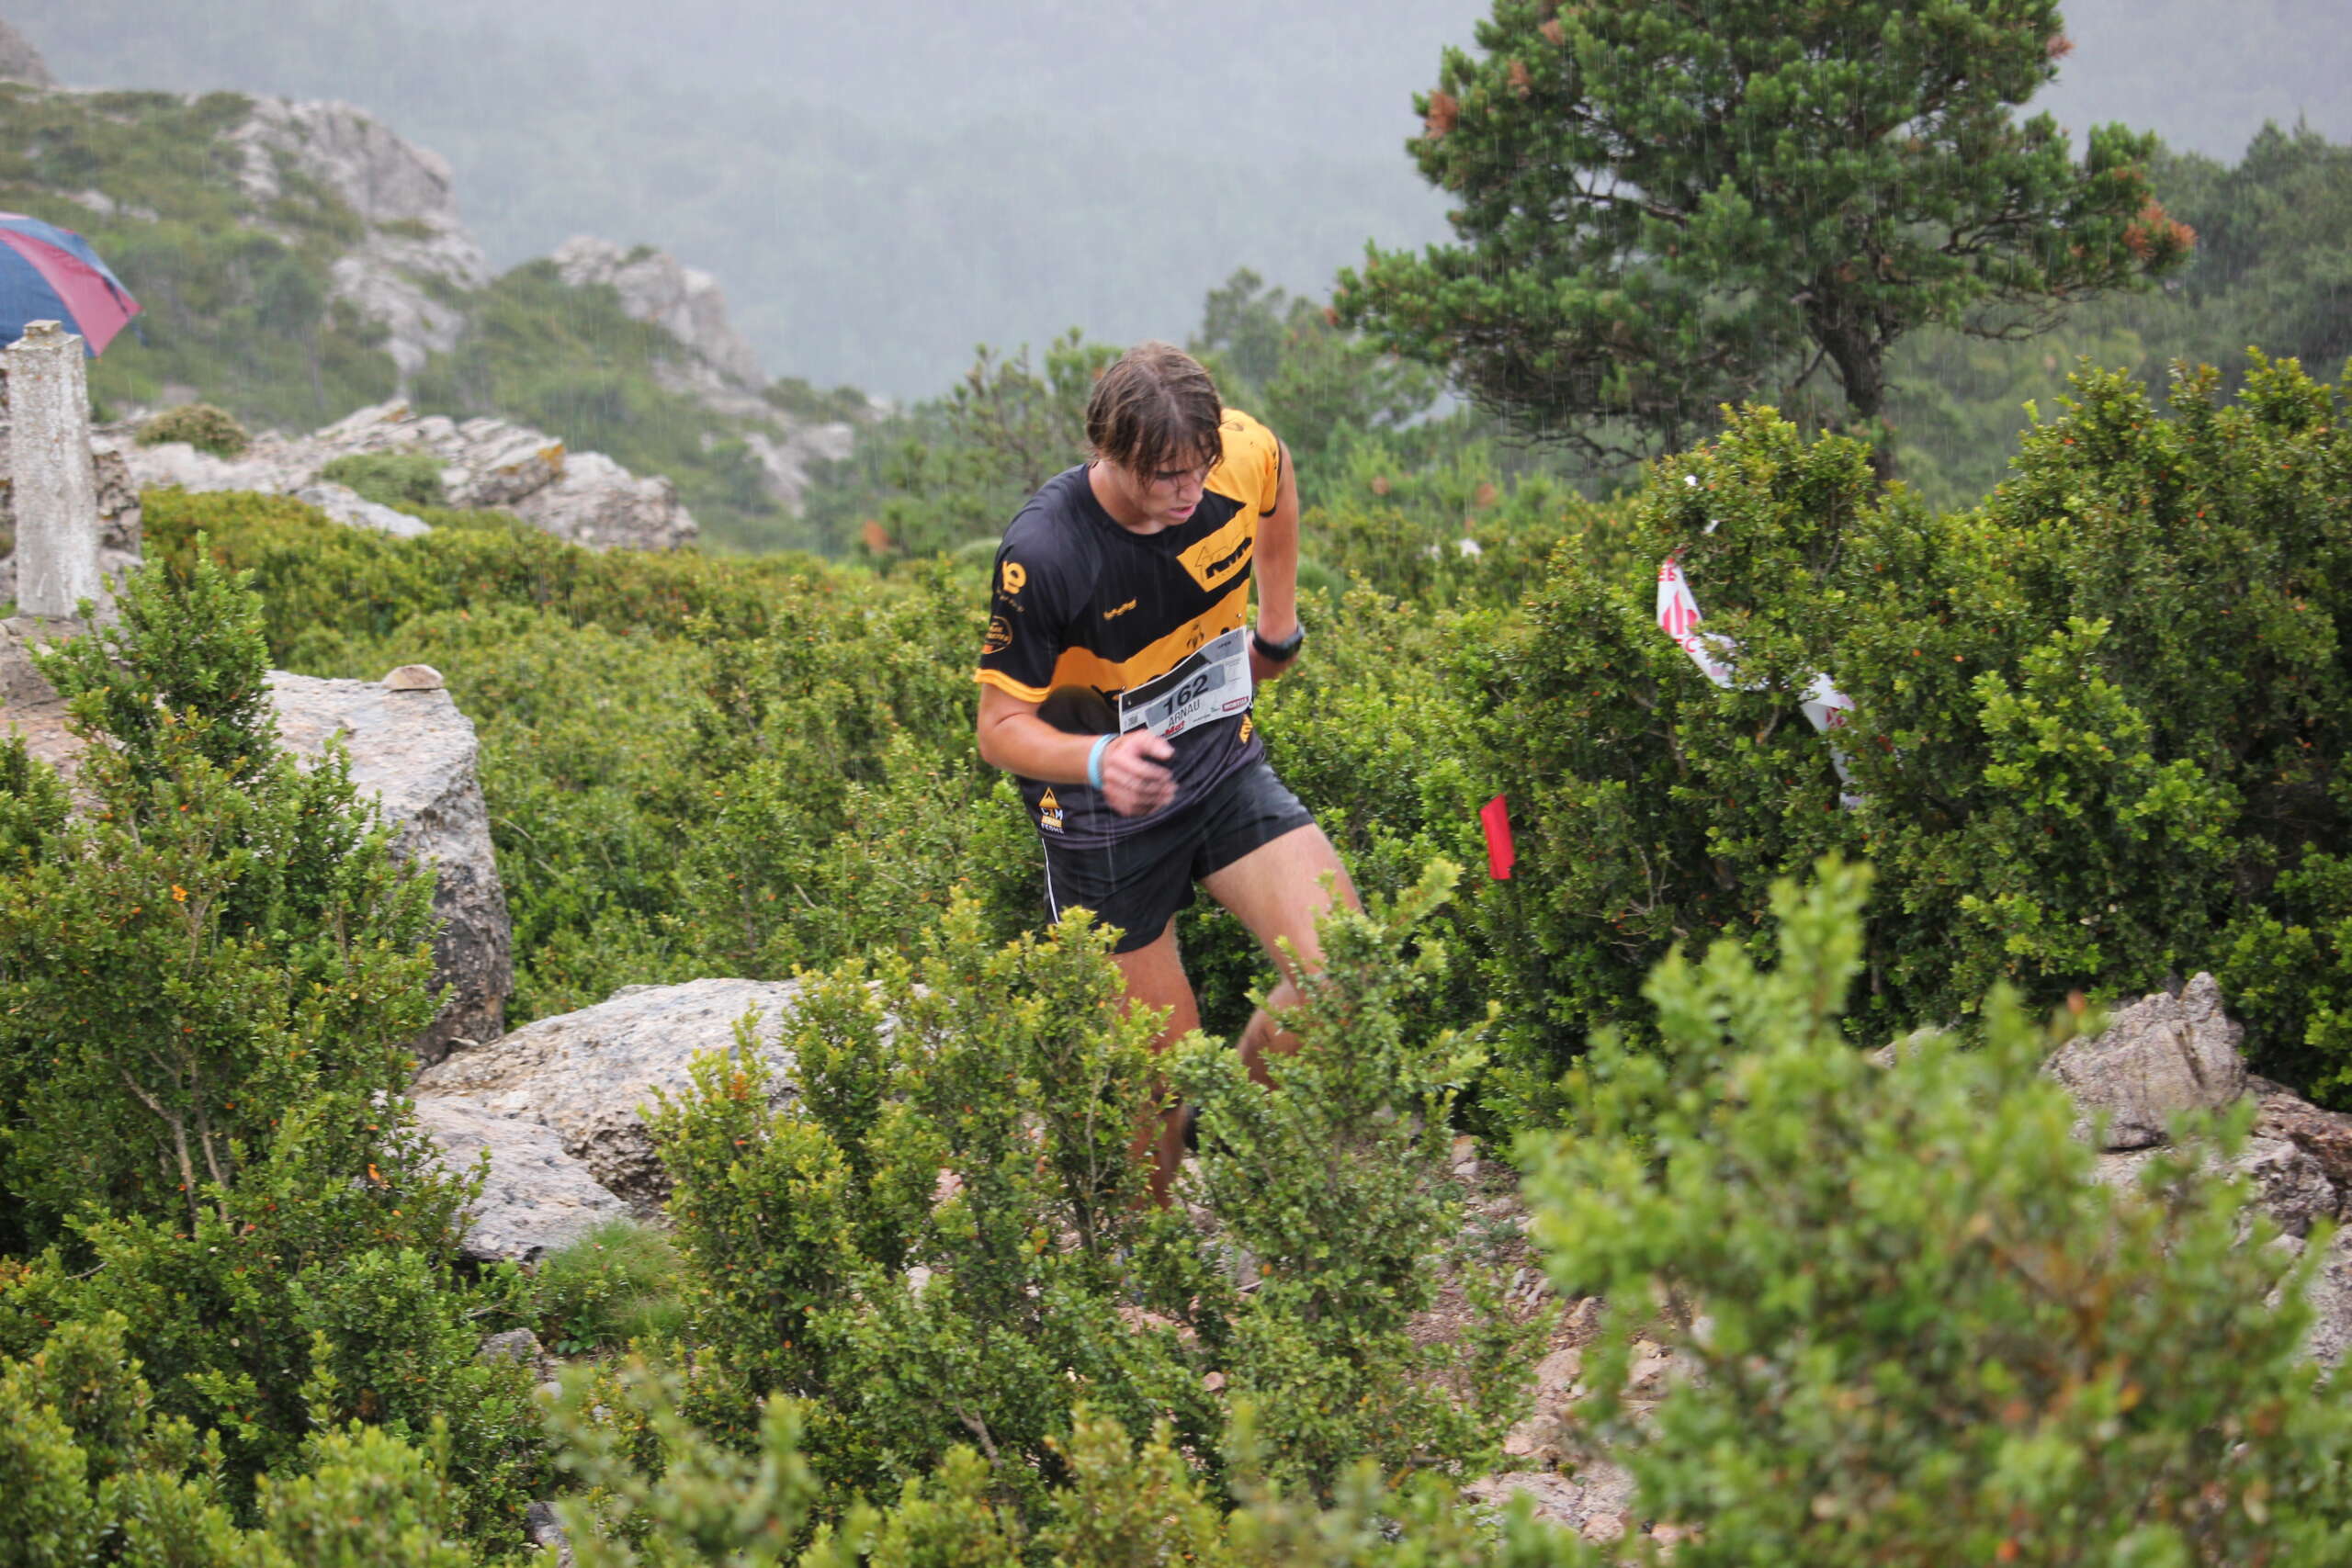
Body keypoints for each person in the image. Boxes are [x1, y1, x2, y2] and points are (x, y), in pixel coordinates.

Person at [973, 340, 1358, 1199]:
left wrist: (1278, 625)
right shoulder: (1046, 553)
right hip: (1101, 812)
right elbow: (999, 730)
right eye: (1165, 476)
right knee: (1159, 1081)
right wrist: (1098, 757)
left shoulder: (1235, 456)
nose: (1188, 491)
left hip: (1218, 759)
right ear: (1108, 452)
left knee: (1342, 968)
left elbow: (1277, 474)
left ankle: (1242, 1152)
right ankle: (1147, 1252)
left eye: (1199, 467)